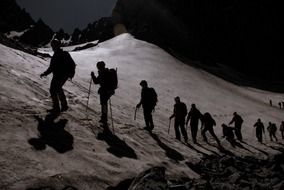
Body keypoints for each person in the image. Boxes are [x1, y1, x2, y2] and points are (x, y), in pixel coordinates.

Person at [40, 39, 76, 114]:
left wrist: (45, 73)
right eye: (53, 46)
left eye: (53, 46)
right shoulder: (63, 54)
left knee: (53, 90)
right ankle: (63, 106)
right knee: (57, 88)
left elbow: (51, 68)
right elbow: (72, 64)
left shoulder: (58, 55)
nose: (53, 47)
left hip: (60, 75)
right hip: (61, 75)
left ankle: (57, 108)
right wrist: (71, 74)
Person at [91, 61, 115, 126]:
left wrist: (93, 76)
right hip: (107, 91)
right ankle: (104, 117)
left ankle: (104, 118)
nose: (98, 68)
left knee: (104, 104)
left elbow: (96, 81)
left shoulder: (103, 73)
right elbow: (97, 81)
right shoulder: (105, 72)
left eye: (98, 66)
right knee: (104, 104)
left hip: (105, 91)